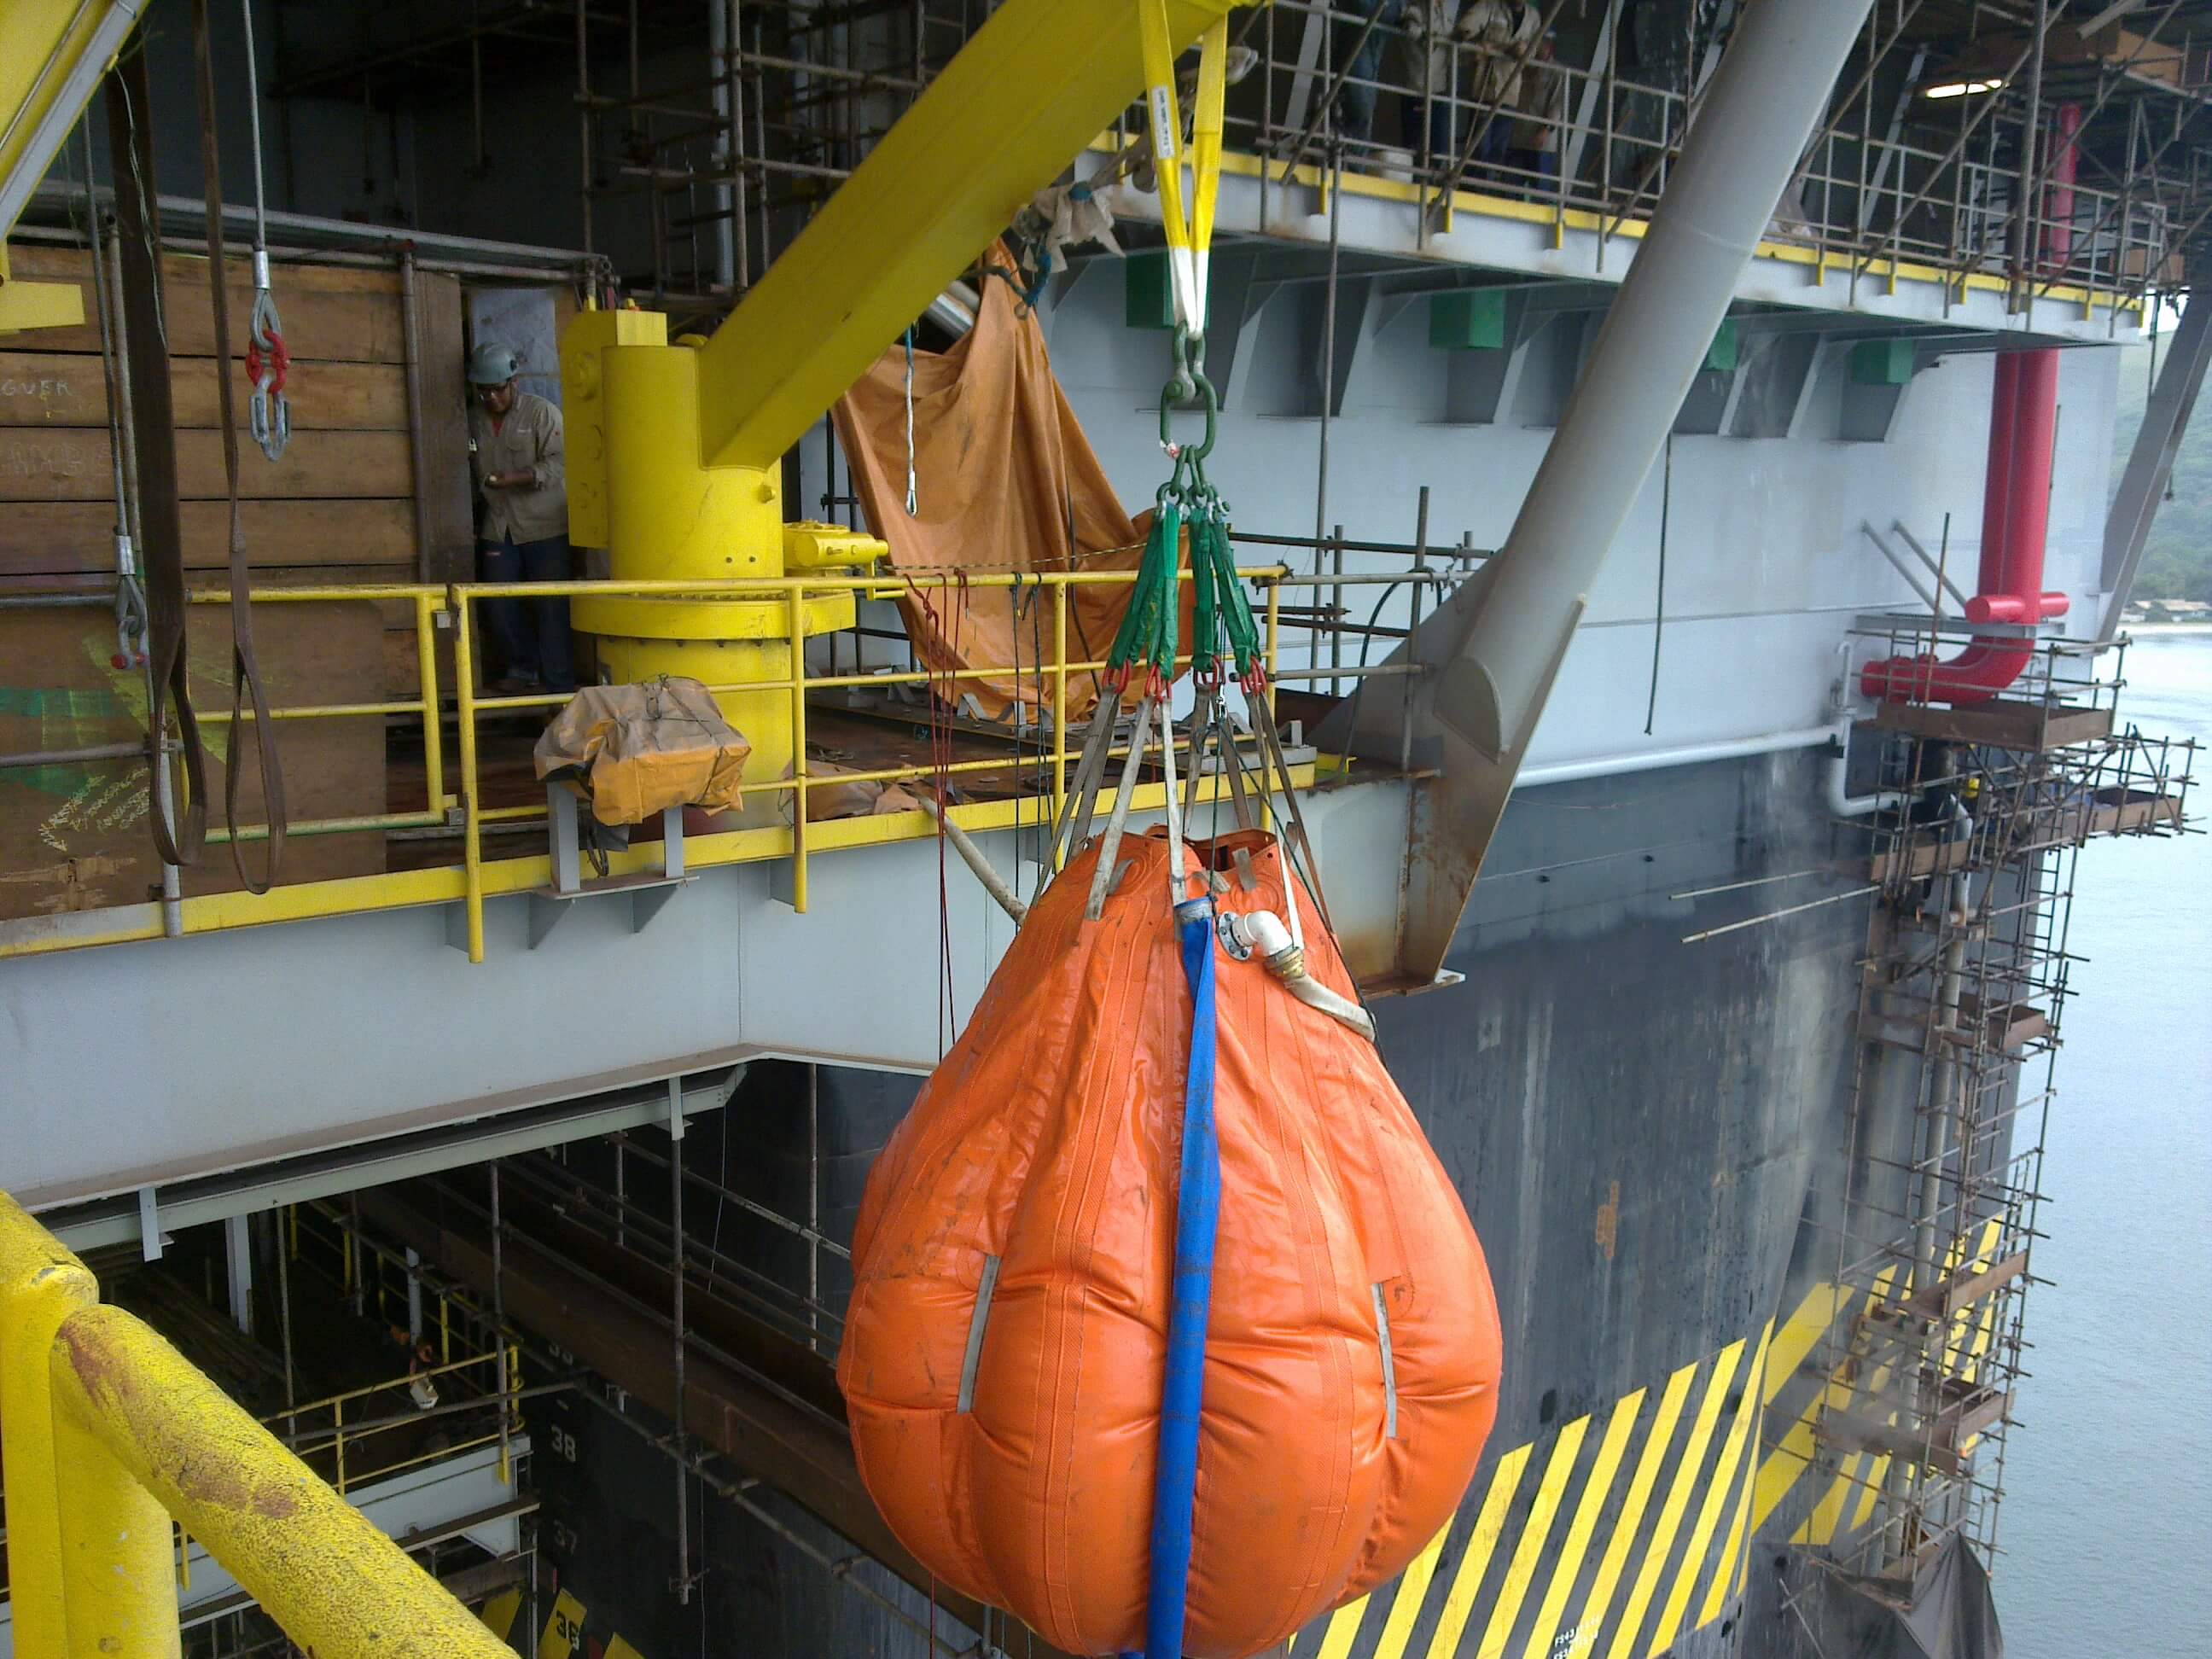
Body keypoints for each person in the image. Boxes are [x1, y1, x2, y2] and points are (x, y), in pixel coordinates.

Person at [467, 343, 576, 694]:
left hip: (546, 527)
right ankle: (523, 668)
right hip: (499, 527)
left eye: (498, 389)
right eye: (484, 391)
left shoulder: (542, 413)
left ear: (513, 381)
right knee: (500, 604)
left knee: (551, 609)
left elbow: (562, 463)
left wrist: (516, 478)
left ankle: (558, 686)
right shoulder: (473, 420)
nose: (492, 397)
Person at [1458, 0, 1540, 177]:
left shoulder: (1533, 17)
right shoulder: (1489, 6)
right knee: (1479, 146)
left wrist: (1523, 51)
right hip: (1485, 86)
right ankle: (1473, 189)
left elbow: (1534, 50)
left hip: (1510, 90)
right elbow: (1465, 28)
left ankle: (1487, 189)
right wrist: (1480, 46)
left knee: (1498, 148)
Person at [1398, 0, 1465, 165]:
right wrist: (1432, 38)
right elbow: (1410, 29)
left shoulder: (1447, 15)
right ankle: (1414, 182)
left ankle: (1433, 185)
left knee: (1440, 148)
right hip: (1416, 89)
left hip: (1439, 89)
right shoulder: (1414, 10)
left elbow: (1450, 51)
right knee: (1414, 146)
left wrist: (1466, 48)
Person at [1333, 0, 1405, 148]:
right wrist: (1401, 9)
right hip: (1356, 58)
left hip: (1368, 60)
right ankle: (1352, 164)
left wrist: (1406, 13)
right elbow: (1365, 8)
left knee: (1363, 113)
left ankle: (1354, 164)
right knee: (1359, 110)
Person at [1506, 30, 1564, 184]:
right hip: (1518, 136)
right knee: (1512, 185)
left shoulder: (1557, 71)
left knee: (1539, 188)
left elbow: (1558, 104)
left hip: (1540, 140)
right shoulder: (1523, 66)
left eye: (1543, 43)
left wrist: (1546, 130)